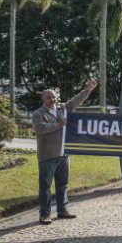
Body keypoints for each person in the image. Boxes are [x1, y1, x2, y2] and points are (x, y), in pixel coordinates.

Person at [32, 80, 97, 225]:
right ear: (43, 99)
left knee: (63, 185)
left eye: (54, 96)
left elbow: (77, 100)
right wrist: (59, 125)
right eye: (48, 97)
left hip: (64, 155)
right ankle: (44, 215)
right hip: (47, 156)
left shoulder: (63, 108)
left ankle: (62, 210)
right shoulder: (38, 114)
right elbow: (40, 128)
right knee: (45, 187)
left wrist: (89, 89)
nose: (52, 99)